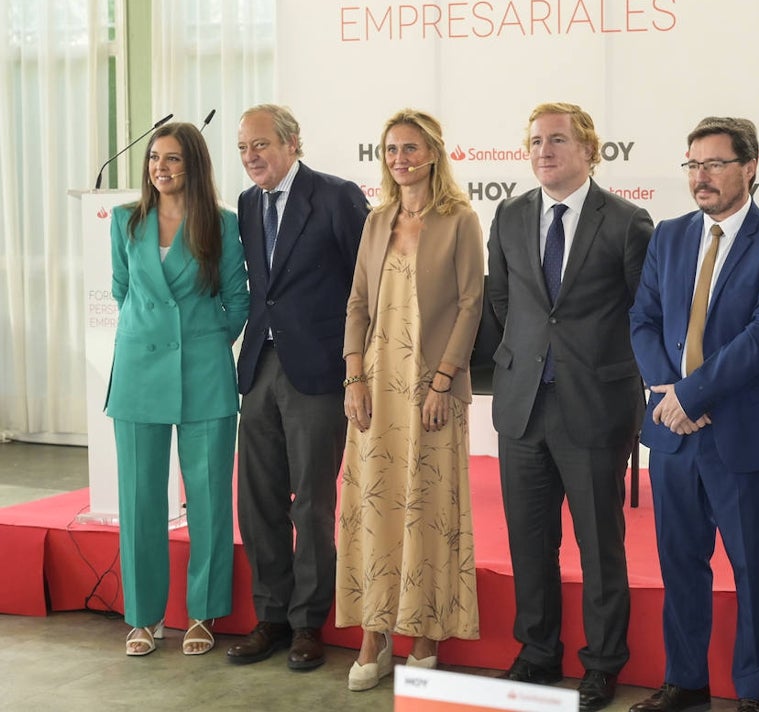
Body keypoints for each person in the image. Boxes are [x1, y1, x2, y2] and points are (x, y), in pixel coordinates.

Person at [629, 116, 759, 712]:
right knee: (680, 565)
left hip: (742, 434)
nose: (700, 178)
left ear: (750, 168)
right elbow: (643, 321)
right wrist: (666, 396)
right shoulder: (670, 235)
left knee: (754, 571)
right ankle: (686, 682)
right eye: (692, 165)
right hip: (673, 434)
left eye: (714, 164)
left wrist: (691, 396)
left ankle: (754, 693)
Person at [487, 102, 653, 712]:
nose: (544, 150)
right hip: (522, 405)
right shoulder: (508, 215)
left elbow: (644, 315)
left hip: (595, 406)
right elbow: (502, 300)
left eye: (557, 140)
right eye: (535, 141)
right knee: (530, 541)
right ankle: (537, 651)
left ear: (590, 149)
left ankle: (604, 663)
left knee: (599, 546)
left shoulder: (629, 222)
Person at [338, 109, 485, 691]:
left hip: (432, 386)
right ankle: (374, 633)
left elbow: (472, 304)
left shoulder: (460, 219)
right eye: (392, 149)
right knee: (374, 506)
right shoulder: (377, 221)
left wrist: (443, 382)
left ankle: (425, 631)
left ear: (433, 154)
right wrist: (353, 377)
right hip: (376, 385)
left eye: (411, 148)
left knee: (428, 504)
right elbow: (356, 304)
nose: (400, 158)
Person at [226, 104, 369, 671]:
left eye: (259, 145)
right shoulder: (245, 204)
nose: (250, 157)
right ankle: (272, 617)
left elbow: (367, 282)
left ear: (292, 144)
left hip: (318, 371)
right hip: (260, 365)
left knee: (311, 503)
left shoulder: (336, 196)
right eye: (242, 149)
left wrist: (359, 367)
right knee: (256, 500)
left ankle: (310, 622)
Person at [107, 121, 249, 657]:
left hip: (204, 374)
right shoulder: (125, 221)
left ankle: (203, 613)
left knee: (210, 497)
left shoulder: (223, 225)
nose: (160, 169)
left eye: (172, 160)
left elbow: (238, 299)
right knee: (140, 499)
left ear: (194, 165)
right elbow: (123, 290)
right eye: (153, 159)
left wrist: (207, 344)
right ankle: (143, 617)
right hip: (139, 374)